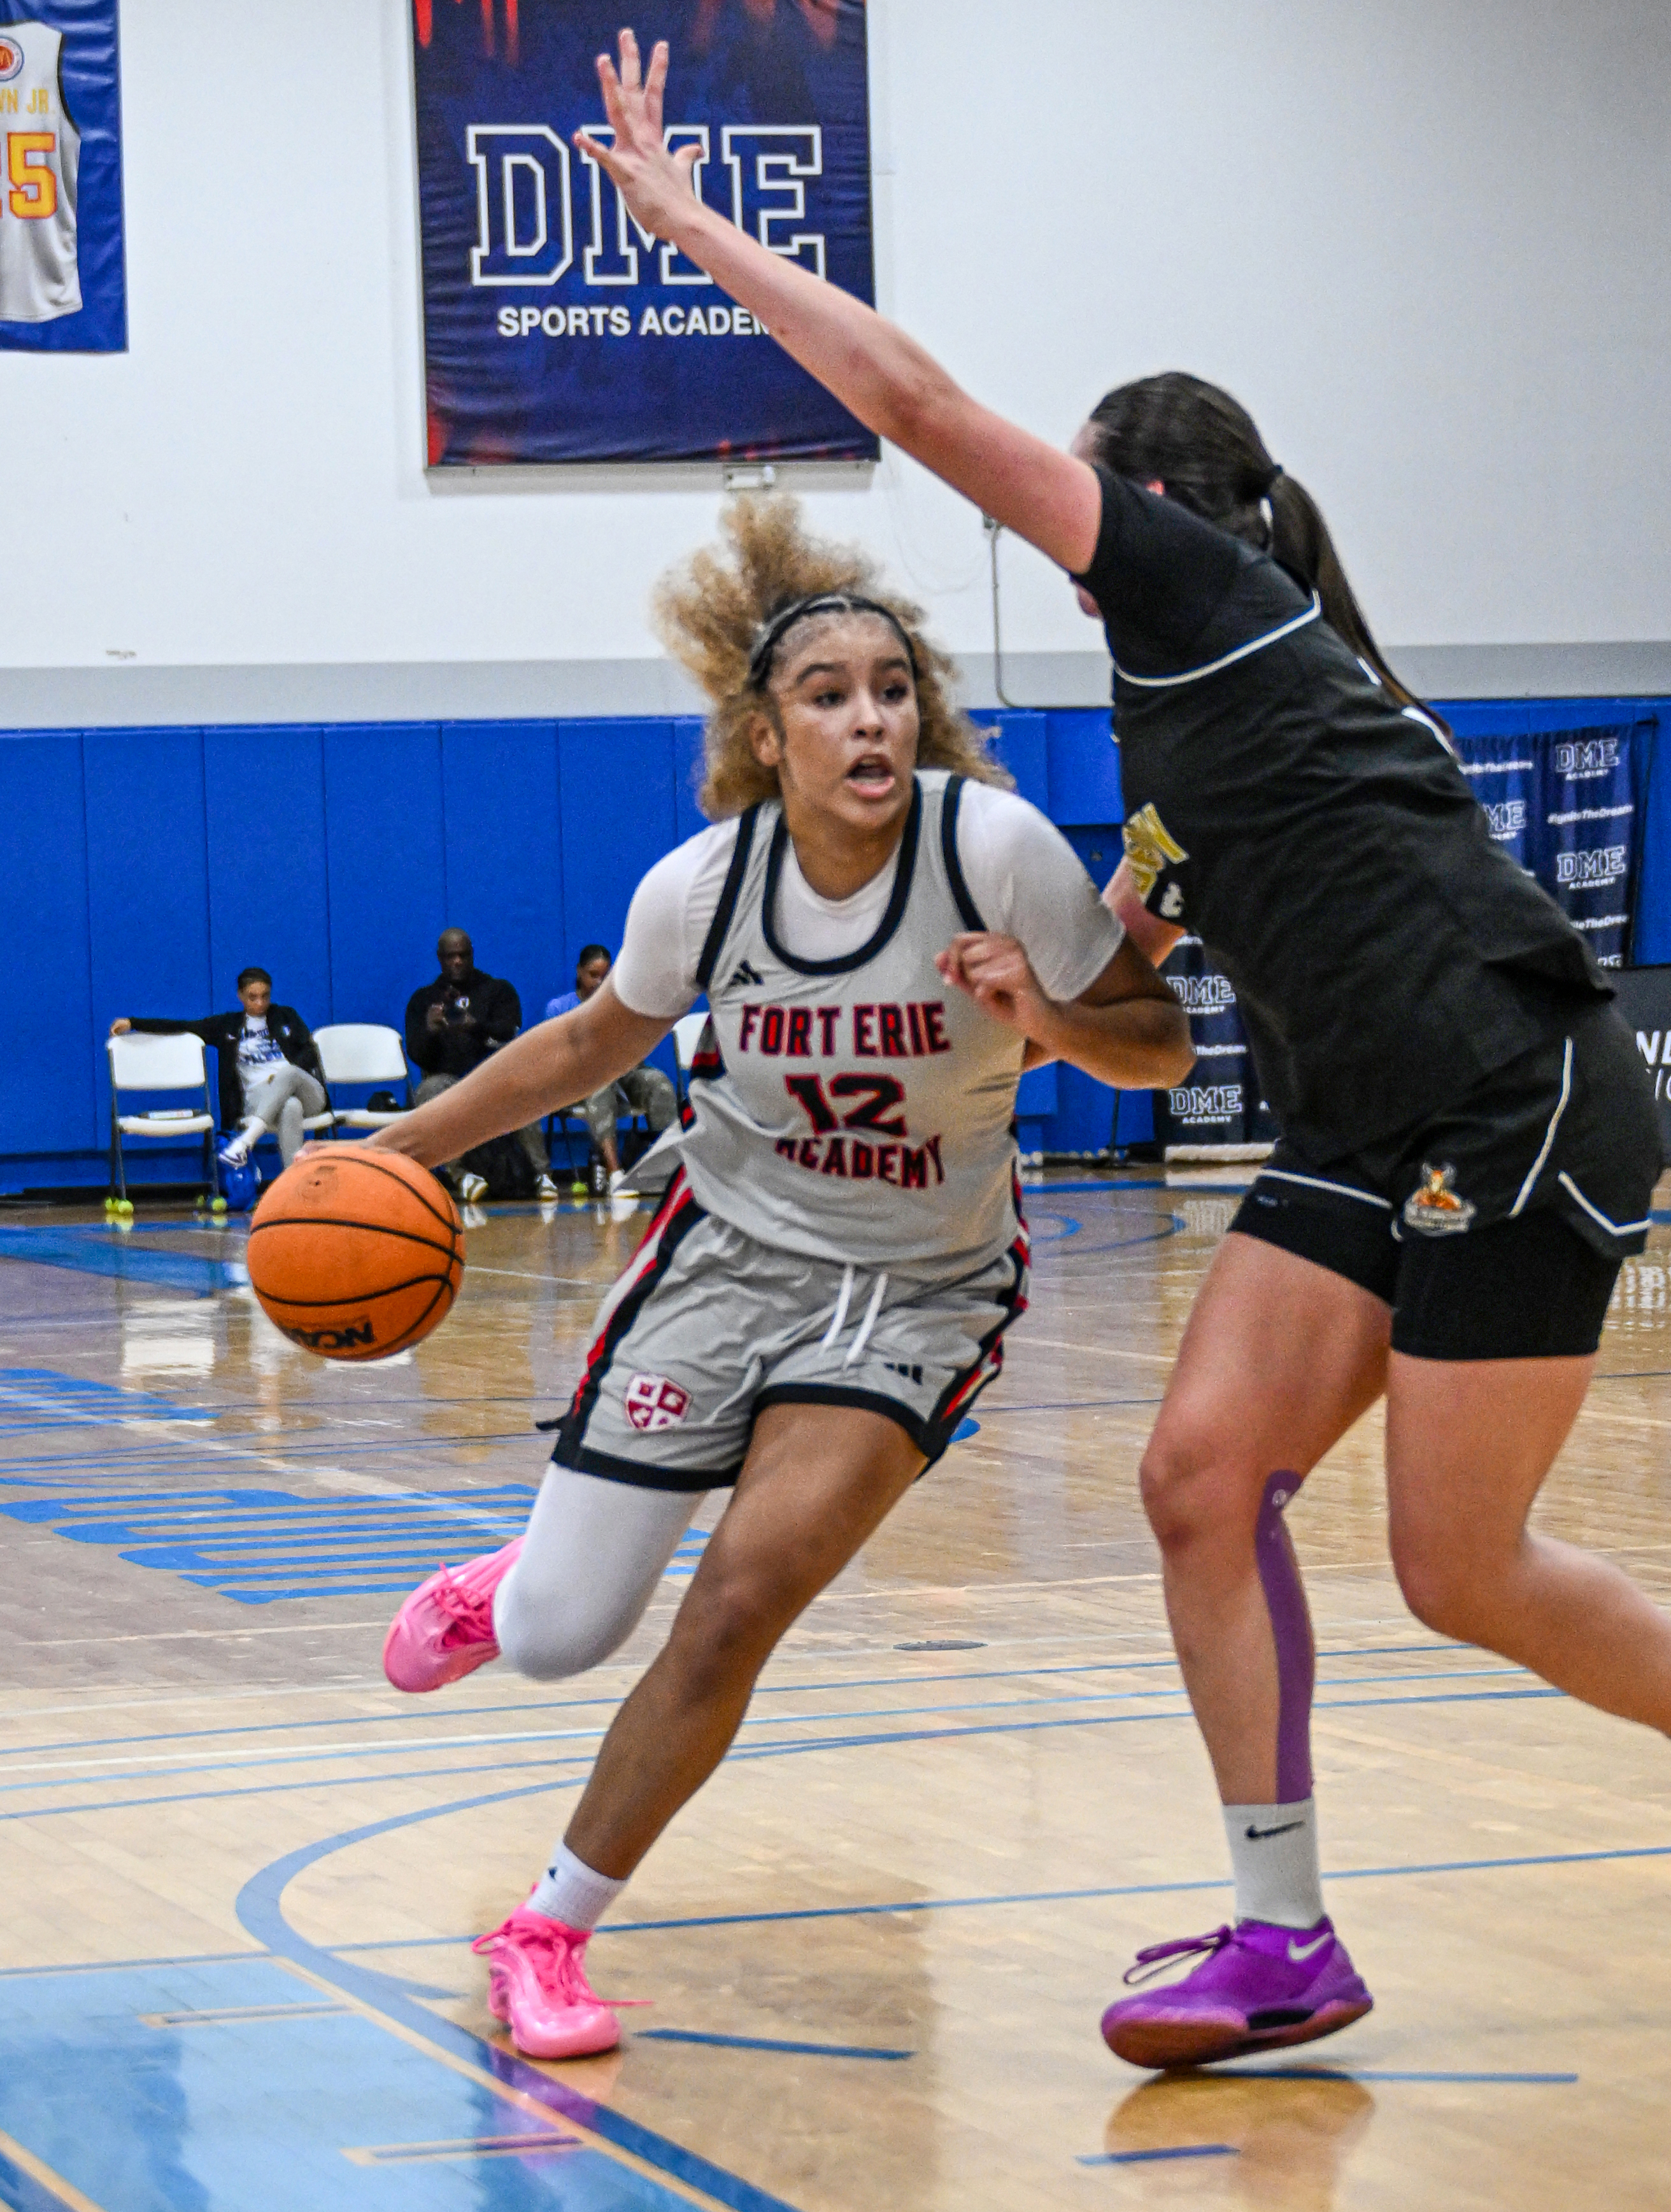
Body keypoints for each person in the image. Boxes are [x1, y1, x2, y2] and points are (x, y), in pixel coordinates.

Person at [575, 30, 1665, 2071]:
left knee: (1460, 1569)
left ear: (1146, 496)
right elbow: (1145, 1039)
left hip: (1506, 1094)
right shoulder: (1209, 727)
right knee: (1192, 1479)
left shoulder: (1195, 591)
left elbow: (906, 401)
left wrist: (687, 225)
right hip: (1362, 1120)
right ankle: (1279, 1937)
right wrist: (1041, 1007)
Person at [366, 490, 1193, 2060]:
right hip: (723, 1259)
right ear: (764, 735)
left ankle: (544, 1928)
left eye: (891, 689)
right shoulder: (701, 888)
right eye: (828, 698)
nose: (868, 719)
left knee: (741, 1596)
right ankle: (509, 1587)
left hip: (916, 1291)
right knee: (557, 1635)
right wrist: (401, 1149)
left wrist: (1051, 1013)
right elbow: (585, 1046)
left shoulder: (995, 852)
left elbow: (1154, 1048)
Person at [110, 969, 326, 1170]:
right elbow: (182, 1026)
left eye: (265, 996)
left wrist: (281, 1078)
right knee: (290, 1106)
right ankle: (295, 1183)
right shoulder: (227, 1026)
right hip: (259, 1098)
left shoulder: (286, 1016)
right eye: (253, 997)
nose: (260, 1003)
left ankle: (245, 1142)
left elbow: (310, 1053)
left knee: (288, 1075)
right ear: (240, 996)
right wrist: (133, 1022)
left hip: (307, 1092)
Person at [405, 929, 560, 1202]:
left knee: (523, 1085)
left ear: (472, 955)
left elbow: (508, 1031)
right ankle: (462, 1176)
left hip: (492, 1077)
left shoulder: (497, 990)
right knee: (428, 1091)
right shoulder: (424, 1000)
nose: (457, 962)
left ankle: (542, 1175)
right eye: (450, 956)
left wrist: (474, 1026)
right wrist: (430, 1030)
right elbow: (418, 1056)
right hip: (448, 1081)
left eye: (463, 955)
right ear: (440, 959)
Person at [546, 944, 678, 1191]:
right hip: (579, 1081)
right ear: (579, 972)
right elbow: (558, 1058)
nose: (599, 982)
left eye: (605, 977)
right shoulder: (558, 1009)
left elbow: (635, 1050)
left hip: (624, 1070)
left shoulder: (622, 1006)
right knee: (600, 1083)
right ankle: (615, 1173)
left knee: (660, 1085)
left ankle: (668, 1169)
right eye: (593, 975)